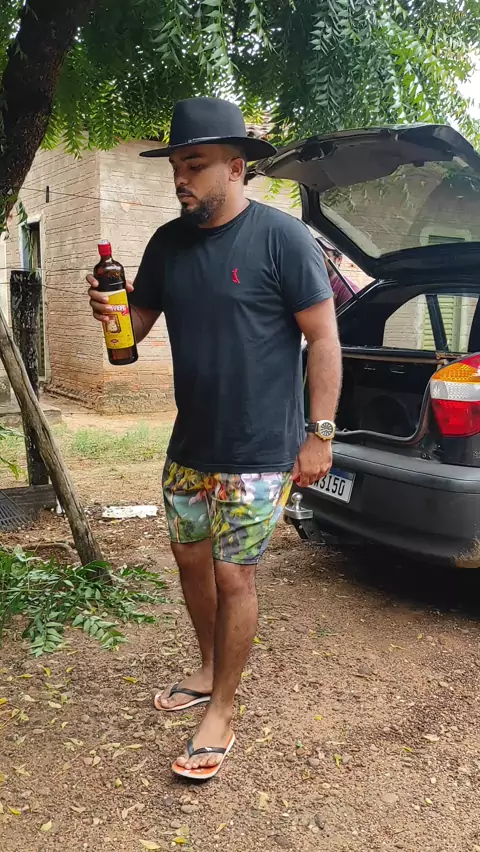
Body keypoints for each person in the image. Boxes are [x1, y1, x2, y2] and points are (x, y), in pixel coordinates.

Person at [87, 97, 341, 781]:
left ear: (235, 167)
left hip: (260, 448)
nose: (181, 178)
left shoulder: (282, 239)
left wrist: (318, 434)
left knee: (235, 575)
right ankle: (206, 668)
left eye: (194, 165)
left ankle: (223, 709)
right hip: (190, 443)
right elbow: (135, 331)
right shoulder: (167, 243)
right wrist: (111, 312)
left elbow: (323, 338)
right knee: (189, 562)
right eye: (176, 165)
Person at [317, 237, 360, 308]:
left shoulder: (348, 291)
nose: (317, 259)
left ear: (338, 259)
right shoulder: (309, 283)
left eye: (323, 255)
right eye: (315, 254)